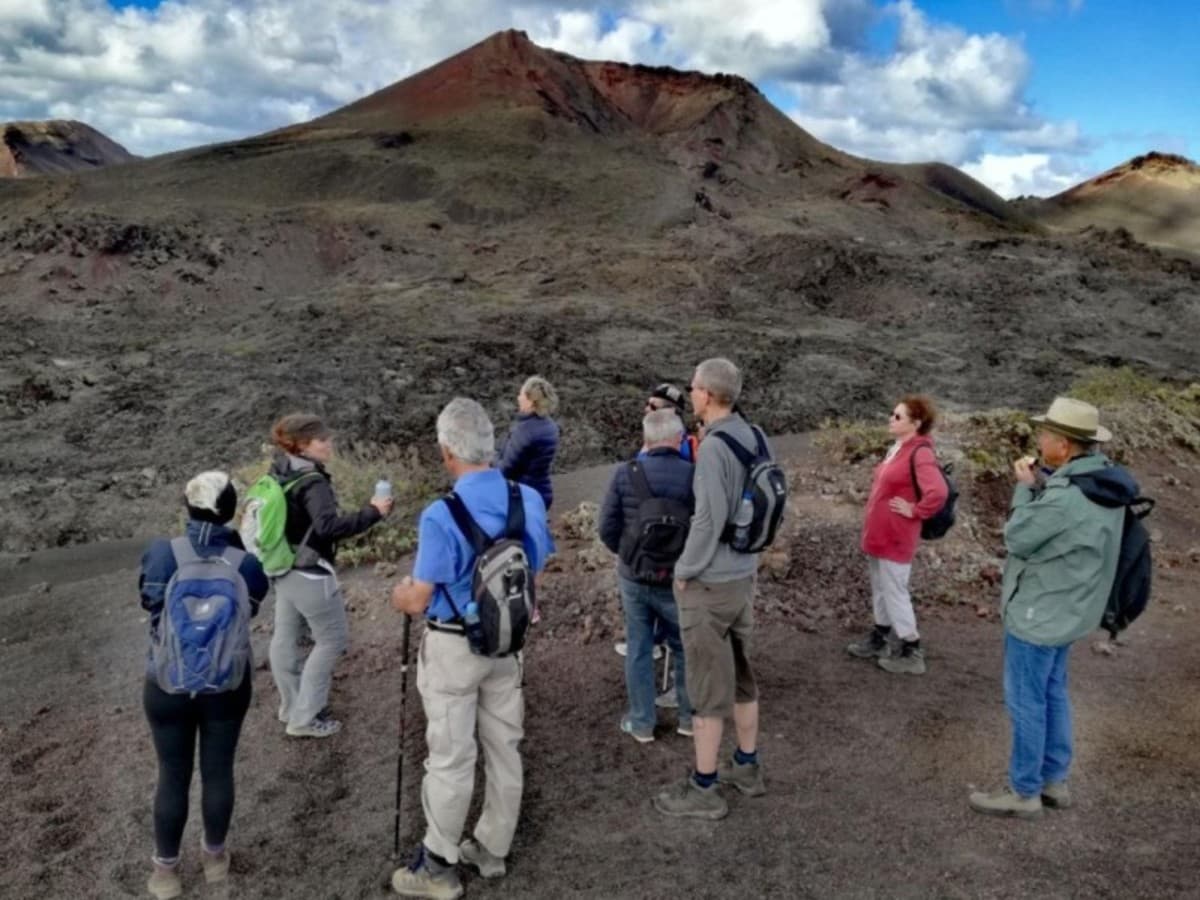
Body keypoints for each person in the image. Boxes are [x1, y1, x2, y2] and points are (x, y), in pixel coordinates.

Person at [390, 398, 553, 899]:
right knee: (505, 746)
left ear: (447, 453)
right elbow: (535, 566)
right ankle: (492, 848)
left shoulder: (441, 514)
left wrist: (399, 593)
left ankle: (438, 868)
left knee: (451, 756)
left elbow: (418, 599)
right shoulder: (526, 499)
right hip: (508, 644)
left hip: (453, 650)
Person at [969, 397, 1135, 818]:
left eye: (1046, 434)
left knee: (1026, 699)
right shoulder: (1102, 481)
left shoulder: (1065, 496)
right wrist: (1045, 486)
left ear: (1063, 445)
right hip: (1072, 609)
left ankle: (1023, 792)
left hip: (1039, 612)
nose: (1040, 440)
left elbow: (1019, 538)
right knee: (1053, 692)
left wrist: (1025, 490)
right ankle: (1053, 782)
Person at [139, 472, 270, 900]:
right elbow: (251, 605)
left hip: (168, 683)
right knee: (218, 770)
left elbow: (151, 601)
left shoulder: (162, 553)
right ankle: (214, 860)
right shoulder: (244, 563)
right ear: (231, 512)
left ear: (187, 507)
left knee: (172, 774)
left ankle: (165, 873)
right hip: (226, 684)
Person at [654, 357, 768, 820]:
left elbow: (708, 518)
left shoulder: (716, 447)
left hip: (711, 583)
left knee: (704, 688)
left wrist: (685, 570)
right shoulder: (755, 436)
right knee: (741, 676)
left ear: (705, 394)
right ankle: (747, 766)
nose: (692, 393)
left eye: (694, 388)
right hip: (743, 576)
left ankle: (704, 788)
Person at [266, 413, 393, 738]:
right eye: (323, 440)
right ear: (304, 445)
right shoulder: (313, 482)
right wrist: (373, 512)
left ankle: (291, 707)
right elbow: (328, 528)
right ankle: (305, 718)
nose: (329, 444)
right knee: (332, 639)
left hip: (284, 568)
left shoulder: (280, 469)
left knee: (285, 637)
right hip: (310, 572)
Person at [599, 407, 695, 743]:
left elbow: (606, 527)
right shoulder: (692, 474)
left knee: (638, 647)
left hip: (635, 578)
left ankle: (642, 723)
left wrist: (627, 556)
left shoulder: (625, 474)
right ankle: (688, 719)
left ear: (646, 440)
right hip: (677, 579)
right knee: (683, 647)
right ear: (679, 439)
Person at [847, 395, 949, 675]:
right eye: (892, 414)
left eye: (898, 417)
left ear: (915, 423)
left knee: (894, 590)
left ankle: (911, 648)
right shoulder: (898, 448)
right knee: (881, 587)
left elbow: (938, 492)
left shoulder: (921, 452)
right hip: (881, 534)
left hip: (896, 535)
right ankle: (880, 637)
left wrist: (915, 510)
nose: (891, 419)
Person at [495, 375, 559, 511]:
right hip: (541, 492)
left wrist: (488, 461)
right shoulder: (550, 426)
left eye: (521, 394)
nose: (518, 398)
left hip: (523, 499)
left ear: (530, 401)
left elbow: (506, 469)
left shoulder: (525, 431)